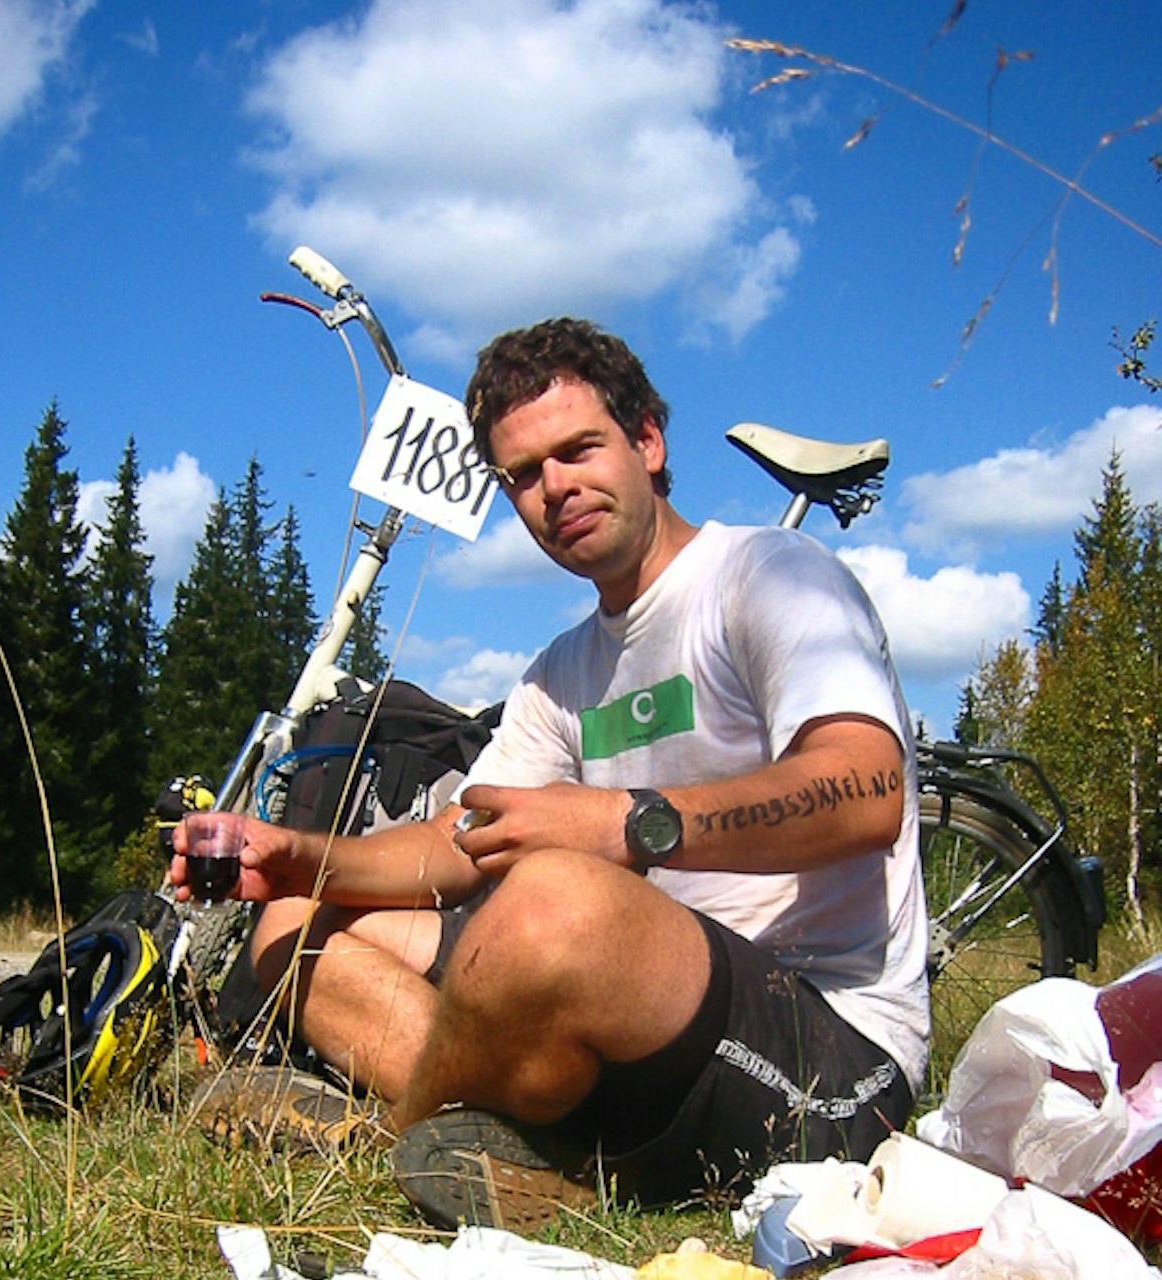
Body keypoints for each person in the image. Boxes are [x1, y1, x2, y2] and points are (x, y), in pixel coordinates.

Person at [171, 317, 929, 1232]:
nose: (554, 489)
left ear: (648, 441)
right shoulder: (562, 671)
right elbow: (460, 842)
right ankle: (522, 1155)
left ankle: (394, 1139)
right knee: (297, 927)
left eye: (578, 450)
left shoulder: (770, 575)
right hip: (636, 1019)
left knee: (552, 902)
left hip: (825, 1051)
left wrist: (624, 824)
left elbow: (867, 790)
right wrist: (300, 855)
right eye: (522, 476)